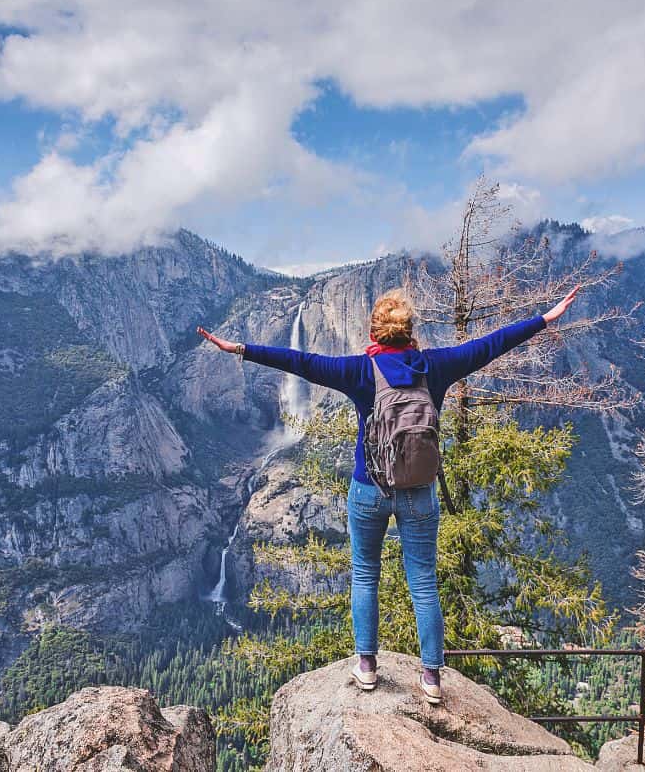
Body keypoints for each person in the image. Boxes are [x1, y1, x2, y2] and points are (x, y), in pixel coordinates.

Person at [197, 285, 579, 704]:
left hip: (369, 489)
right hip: (419, 492)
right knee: (423, 582)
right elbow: (491, 345)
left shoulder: (360, 371)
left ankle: (366, 666)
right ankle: (431, 677)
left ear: (375, 333)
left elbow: (300, 362)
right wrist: (543, 319)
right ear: (410, 331)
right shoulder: (436, 365)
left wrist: (240, 348)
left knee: (365, 574)